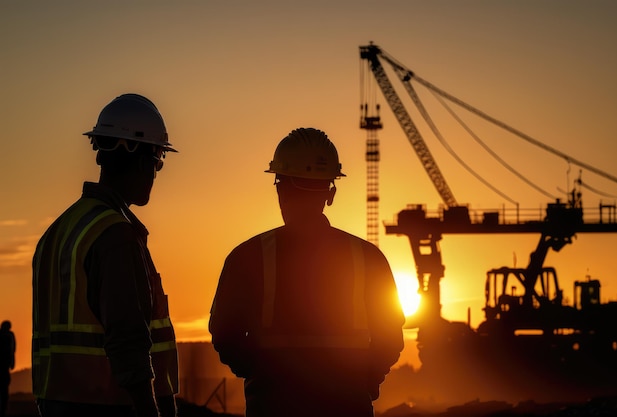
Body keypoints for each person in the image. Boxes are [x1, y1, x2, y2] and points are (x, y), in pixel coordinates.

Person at [209, 127, 405, 417]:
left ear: (280, 187)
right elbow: (390, 338)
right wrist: (363, 383)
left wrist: (261, 377)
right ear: (330, 192)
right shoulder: (367, 258)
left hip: (273, 407)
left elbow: (225, 335)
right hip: (347, 407)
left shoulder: (247, 257)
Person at [32, 94, 179, 417]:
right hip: (109, 404)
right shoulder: (115, 235)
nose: (156, 173)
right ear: (143, 159)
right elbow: (128, 340)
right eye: (158, 162)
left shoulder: (58, 232)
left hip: (55, 404)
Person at [0, 321, 16, 417]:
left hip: (4, 365)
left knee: (4, 388)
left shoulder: (9, 335)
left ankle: (3, 409)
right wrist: (12, 362)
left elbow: (12, 350)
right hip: (5, 365)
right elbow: (12, 350)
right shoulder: (10, 335)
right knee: (4, 388)